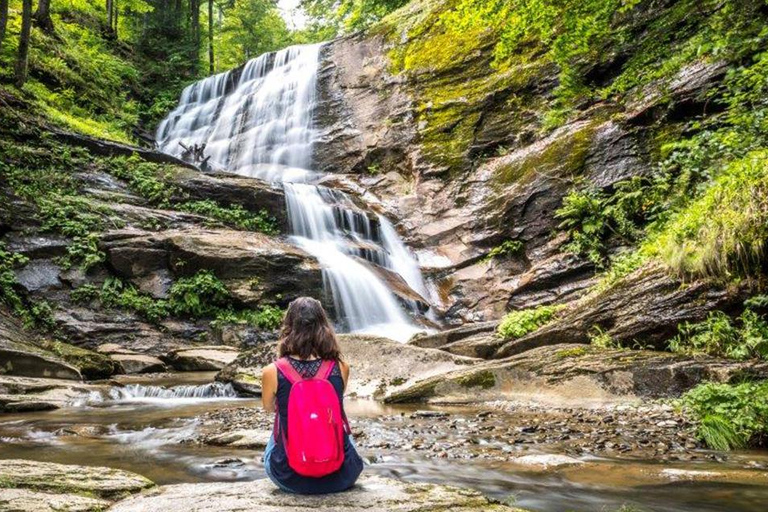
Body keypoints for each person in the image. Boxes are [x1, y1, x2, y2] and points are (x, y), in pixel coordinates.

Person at [261, 297, 364, 494]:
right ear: (324, 327)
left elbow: (268, 407)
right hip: (340, 478)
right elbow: (332, 403)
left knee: (279, 424)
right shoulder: (341, 367)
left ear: (289, 327)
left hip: (290, 478)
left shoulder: (272, 371)